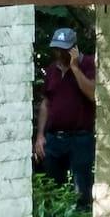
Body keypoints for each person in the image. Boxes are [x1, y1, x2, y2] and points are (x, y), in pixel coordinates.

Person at [35, 28, 97, 199]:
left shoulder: (88, 64)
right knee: (52, 189)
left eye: (64, 49)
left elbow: (92, 94)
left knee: (81, 191)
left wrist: (75, 68)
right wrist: (40, 136)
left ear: (74, 49)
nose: (59, 53)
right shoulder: (52, 70)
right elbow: (46, 103)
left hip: (80, 139)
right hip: (54, 139)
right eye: (57, 49)